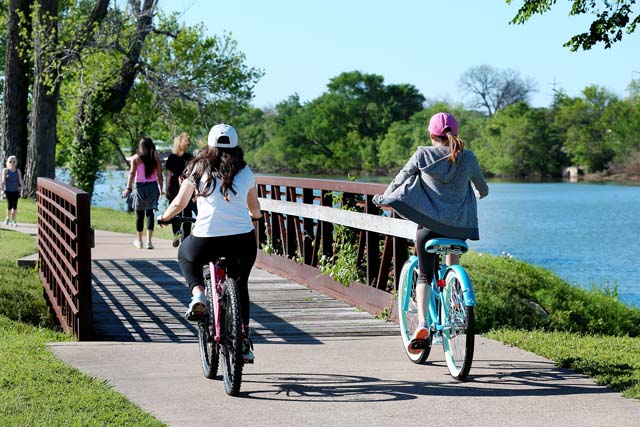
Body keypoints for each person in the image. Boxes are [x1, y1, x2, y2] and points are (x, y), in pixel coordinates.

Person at [373, 112, 488, 354]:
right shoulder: (467, 157)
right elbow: (482, 188)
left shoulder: (423, 154)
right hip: (459, 229)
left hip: (429, 229)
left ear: (430, 134)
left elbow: (400, 180)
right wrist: (476, 193)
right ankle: (454, 300)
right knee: (451, 256)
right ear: (455, 134)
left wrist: (384, 198)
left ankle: (423, 324)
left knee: (425, 276)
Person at [158, 123, 262, 362]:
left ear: (210, 144)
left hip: (207, 240)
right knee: (240, 284)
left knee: (185, 254)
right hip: (242, 241)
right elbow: (253, 206)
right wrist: (256, 217)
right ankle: (244, 341)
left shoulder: (197, 168)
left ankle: (198, 295)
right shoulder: (245, 171)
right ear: (236, 146)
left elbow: (179, 204)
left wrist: (165, 218)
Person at [122, 137, 163, 249]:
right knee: (150, 214)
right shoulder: (155, 159)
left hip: (140, 188)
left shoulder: (136, 158)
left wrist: (128, 188)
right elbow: (160, 176)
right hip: (153, 186)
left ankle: (139, 241)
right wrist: (161, 190)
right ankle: (149, 241)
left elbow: (131, 174)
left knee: (139, 214)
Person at [165, 132, 196, 247]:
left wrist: (167, 188)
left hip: (174, 185)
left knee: (175, 210)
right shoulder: (190, 158)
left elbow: (168, 175)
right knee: (187, 211)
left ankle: (176, 232)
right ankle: (186, 237)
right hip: (187, 185)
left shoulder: (171, 158)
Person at [2, 156, 23, 227]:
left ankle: (13, 221)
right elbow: (3, 181)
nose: (12, 163)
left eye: (13, 162)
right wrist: (2, 191)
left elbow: (20, 181)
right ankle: (7, 218)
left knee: (15, 206)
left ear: (15, 162)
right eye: (10, 161)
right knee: (9, 205)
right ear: (8, 162)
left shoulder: (18, 171)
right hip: (8, 191)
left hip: (15, 191)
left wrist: (23, 187)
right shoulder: (5, 170)